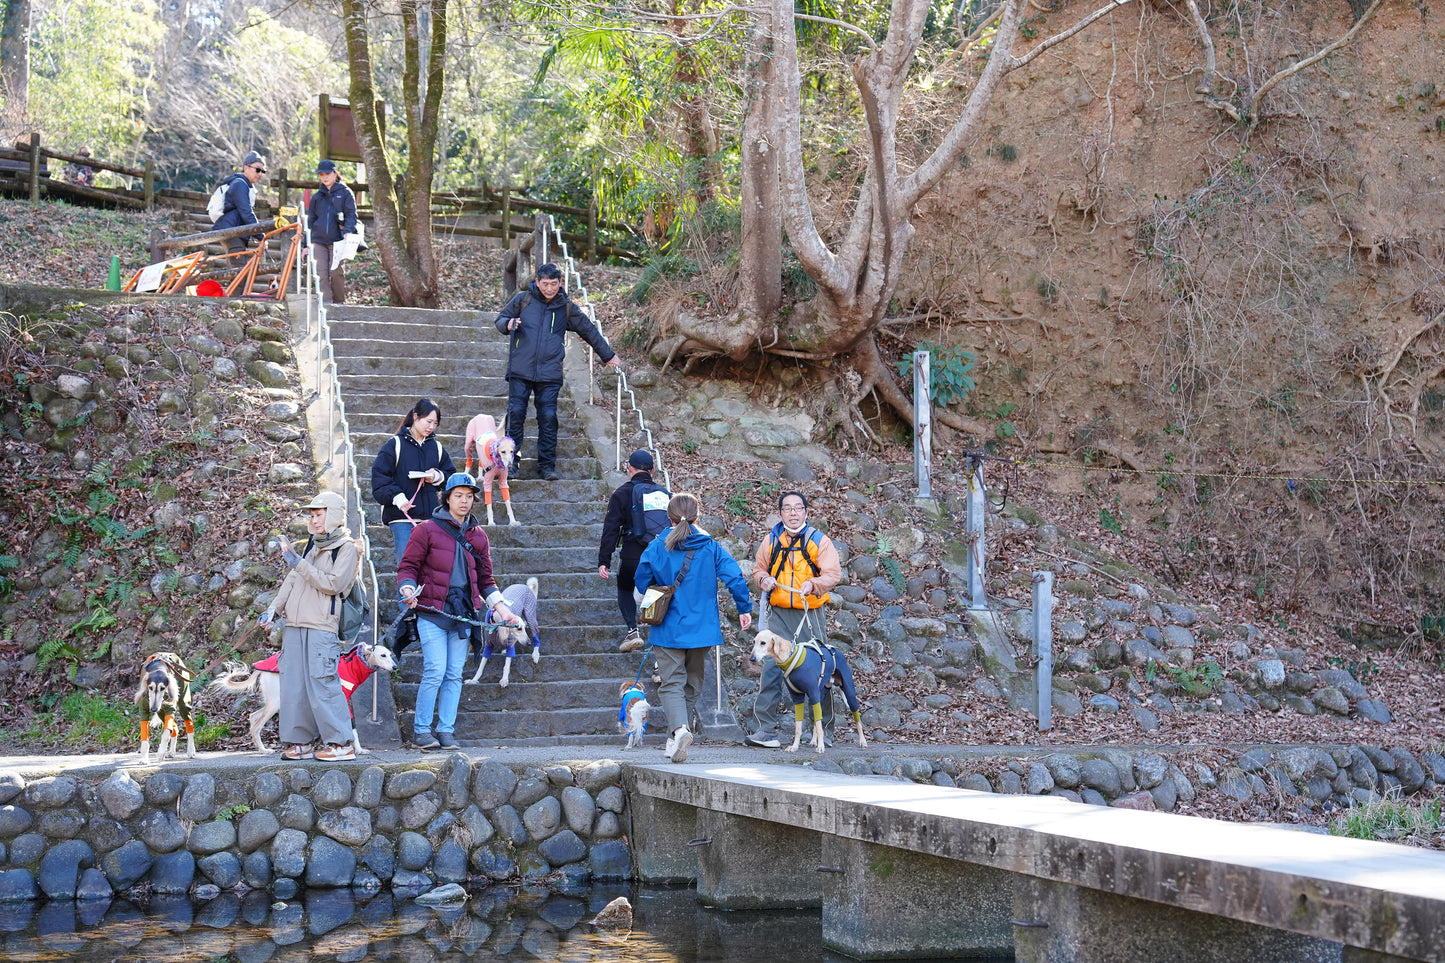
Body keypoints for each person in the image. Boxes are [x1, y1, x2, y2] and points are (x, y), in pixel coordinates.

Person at [397, 473, 517, 750]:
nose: (464, 501)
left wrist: (502, 610)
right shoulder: (426, 530)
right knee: (435, 670)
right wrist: (407, 589)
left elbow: (486, 580)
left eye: (469, 496)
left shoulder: (478, 535)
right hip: (431, 610)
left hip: (463, 612)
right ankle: (422, 731)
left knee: (453, 673)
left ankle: (446, 730)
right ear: (447, 498)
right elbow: (408, 568)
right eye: (458, 495)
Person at [634, 493, 753, 763]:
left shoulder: (657, 546)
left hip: (668, 627)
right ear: (697, 517)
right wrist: (744, 608)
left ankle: (679, 730)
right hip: (703, 628)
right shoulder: (711, 546)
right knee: (693, 682)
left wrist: (655, 589)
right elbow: (734, 575)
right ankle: (675, 737)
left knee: (671, 683)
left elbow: (641, 579)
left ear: (669, 516)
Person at [257, 491, 360, 762]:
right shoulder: (312, 547)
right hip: (294, 625)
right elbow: (293, 581)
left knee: (323, 683)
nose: (313, 521)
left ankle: (341, 744)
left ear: (334, 514)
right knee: (294, 685)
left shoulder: (346, 548)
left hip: (322, 626)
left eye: (319, 514)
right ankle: (300, 742)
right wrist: (273, 610)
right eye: (312, 516)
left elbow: (333, 584)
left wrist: (299, 563)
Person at [494, 262, 621, 480]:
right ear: (537, 282)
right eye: (545, 284)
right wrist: (508, 324)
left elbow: (588, 330)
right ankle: (511, 464)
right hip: (520, 370)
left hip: (550, 373)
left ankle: (546, 466)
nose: (550, 288)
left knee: (549, 417)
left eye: (554, 284)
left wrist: (608, 355)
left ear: (560, 283)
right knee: (515, 414)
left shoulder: (566, 307)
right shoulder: (523, 300)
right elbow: (500, 319)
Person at [746, 491, 842, 749]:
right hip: (778, 613)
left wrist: (814, 584)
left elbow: (833, 574)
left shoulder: (818, 541)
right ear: (780, 513)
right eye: (787, 508)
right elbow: (758, 569)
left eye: (798, 508)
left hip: (810, 613)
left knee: (819, 669)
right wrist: (762, 580)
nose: (793, 512)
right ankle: (765, 730)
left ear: (806, 512)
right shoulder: (771, 540)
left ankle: (823, 731)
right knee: (770, 668)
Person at [598, 449, 670, 653]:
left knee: (625, 589)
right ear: (653, 470)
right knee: (656, 598)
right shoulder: (664, 494)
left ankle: (632, 631)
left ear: (629, 469)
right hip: (659, 557)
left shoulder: (622, 493)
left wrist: (604, 560)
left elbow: (611, 529)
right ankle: (658, 660)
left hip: (632, 554)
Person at [370, 398, 455, 566]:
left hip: (430, 519)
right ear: (415, 417)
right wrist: (398, 498)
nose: (431, 427)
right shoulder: (395, 444)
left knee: (432, 569)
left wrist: (437, 476)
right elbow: (379, 478)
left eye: (435, 423)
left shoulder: (436, 447)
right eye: (428, 421)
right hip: (401, 518)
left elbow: (451, 477)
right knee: (408, 567)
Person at [307, 159, 358, 304]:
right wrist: (306, 244)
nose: (324, 177)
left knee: (336, 273)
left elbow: (351, 214)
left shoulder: (346, 193)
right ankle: (326, 305)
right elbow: (310, 221)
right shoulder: (317, 197)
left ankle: (339, 303)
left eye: (327, 173)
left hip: (339, 240)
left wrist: (348, 231)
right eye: (321, 174)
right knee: (321, 274)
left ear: (335, 173)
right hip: (318, 240)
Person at [214, 150, 267, 253]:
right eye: (257, 169)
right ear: (246, 167)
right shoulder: (240, 184)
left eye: (263, 171)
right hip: (232, 232)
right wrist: (261, 236)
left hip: (234, 231)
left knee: (238, 267)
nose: (260, 174)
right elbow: (246, 212)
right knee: (238, 267)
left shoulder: (244, 184)